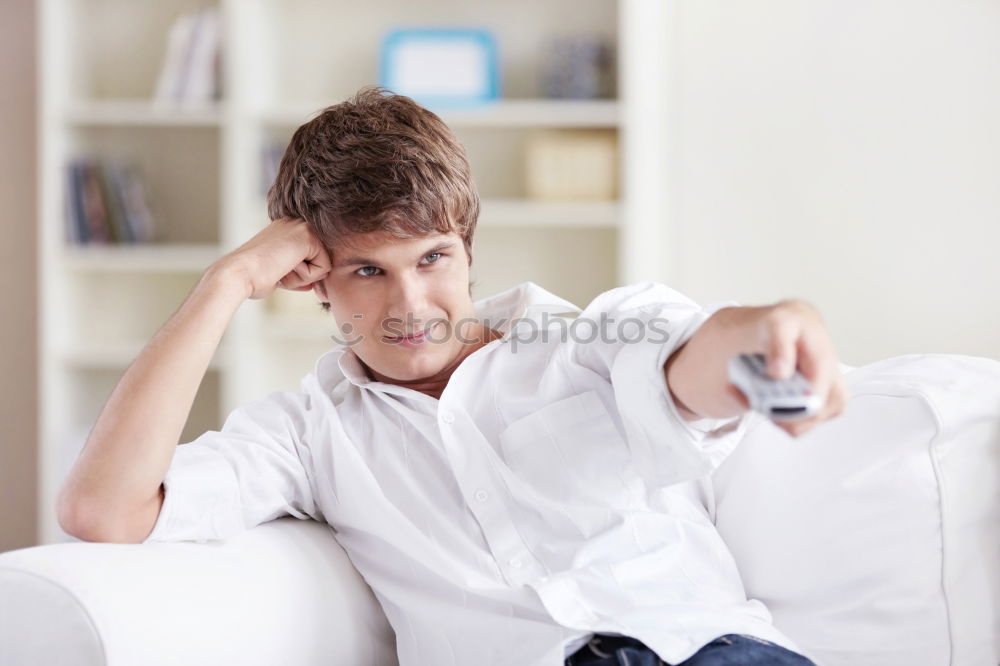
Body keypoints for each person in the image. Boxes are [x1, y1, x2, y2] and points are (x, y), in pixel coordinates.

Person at [57, 86, 849, 666]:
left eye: (432, 259)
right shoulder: (307, 433)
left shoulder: (583, 341)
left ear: (468, 249)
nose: (410, 304)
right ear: (312, 280)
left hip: (710, 651)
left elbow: (694, 360)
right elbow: (102, 508)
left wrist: (769, 333)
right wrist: (223, 284)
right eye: (367, 270)